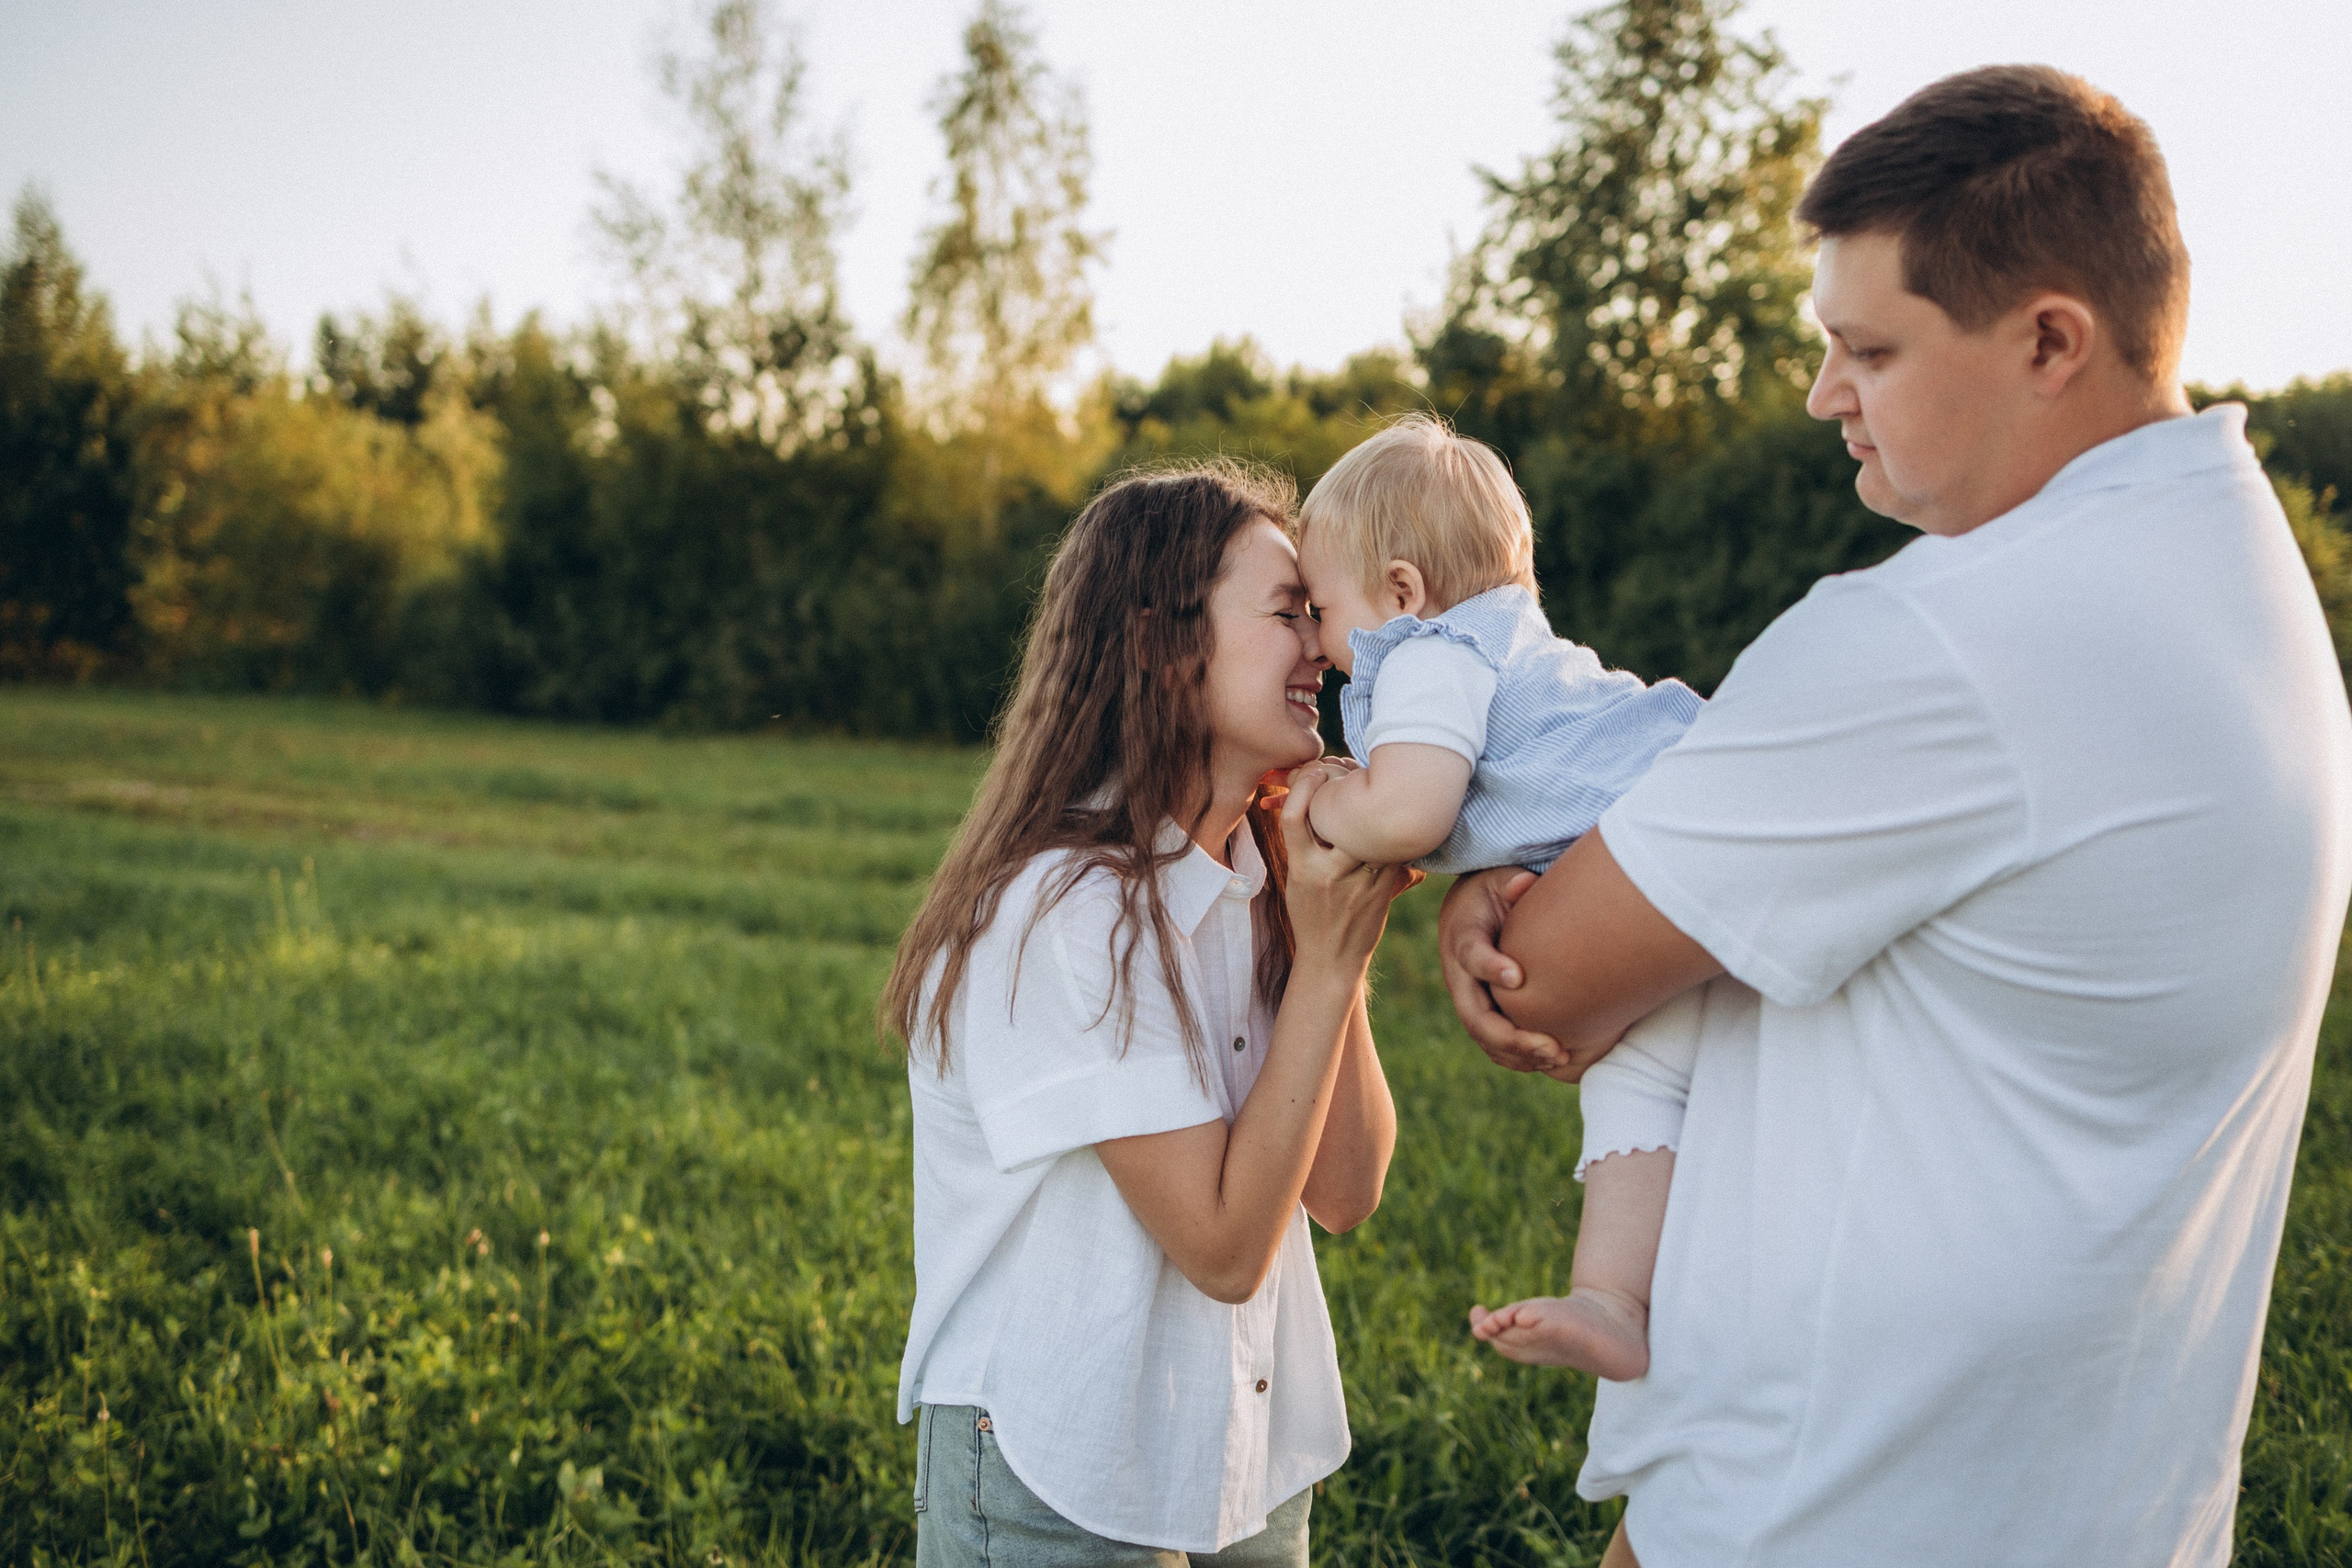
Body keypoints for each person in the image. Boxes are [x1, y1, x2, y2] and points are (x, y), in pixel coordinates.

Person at [1442, 65, 2352, 1567]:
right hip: (2104, 1508)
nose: (1824, 394)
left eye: (1869, 348)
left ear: (2049, 338)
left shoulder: (1943, 638)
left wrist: (1494, 885)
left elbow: (1540, 982)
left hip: (1821, 1503)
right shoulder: (2245, 572)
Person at [881, 462, 1416, 1565]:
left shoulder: (1252, 872)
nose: (1325, 647)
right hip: (1054, 1467)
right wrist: (1323, 967)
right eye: (1288, 613)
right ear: (1164, 646)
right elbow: (1223, 1248)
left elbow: (1347, 1189)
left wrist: (1328, 928)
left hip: (1242, 1449)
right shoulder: (1061, 912)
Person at [1291, 413, 1703, 1380]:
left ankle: (1614, 1295)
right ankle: (1612, 1300)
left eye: (1317, 607)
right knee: (1640, 1072)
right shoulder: (1498, 645)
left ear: (1401, 593)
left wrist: (1323, 801)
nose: (1314, 638)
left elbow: (1409, 812)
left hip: (1679, 850)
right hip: (1671, 854)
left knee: (1642, 1077)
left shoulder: (1427, 653)